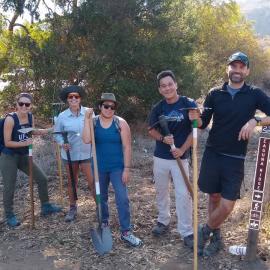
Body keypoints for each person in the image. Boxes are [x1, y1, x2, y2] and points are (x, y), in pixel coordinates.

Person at [189, 52, 270, 256]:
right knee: (213, 196)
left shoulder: (254, 94)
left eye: (241, 67)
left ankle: (204, 230)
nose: (237, 70)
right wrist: (194, 117)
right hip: (213, 153)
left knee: (227, 204)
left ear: (247, 70)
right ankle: (216, 238)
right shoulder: (215, 93)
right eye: (233, 66)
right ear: (228, 69)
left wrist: (255, 121)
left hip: (235, 158)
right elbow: (202, 124)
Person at [82, 93, 142, 247]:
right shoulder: (93, 122)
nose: (109, 109)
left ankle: (126, 232)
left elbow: (127, 146)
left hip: (117, 167)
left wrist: (127, 169)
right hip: (99, 168)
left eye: (112, 107)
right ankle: (104, 224)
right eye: (106, 106)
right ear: (100, 107)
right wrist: (86, 119)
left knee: (122, 198)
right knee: (100, 198)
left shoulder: (120, 123)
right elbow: (87, 140)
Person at [148, 70, 196, 249]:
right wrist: (162, 138)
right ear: (160, 89)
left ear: (176, 84)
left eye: (170, 84)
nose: (167, 88)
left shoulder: (187, 104)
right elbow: (151, 130)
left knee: (183, 195)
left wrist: (183, 149)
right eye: (163, 86)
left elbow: (196, 130)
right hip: (161, 157)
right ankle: (163, 220)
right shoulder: (158, 107)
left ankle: (187, 231)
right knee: (161, 191)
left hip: (181, 158)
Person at [0, 92, 61, 228]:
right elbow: (7, 142)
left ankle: (46, 206)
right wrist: (25, 143)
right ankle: (9, 215)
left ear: (30, 106)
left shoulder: (30, 116)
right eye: (21, 103)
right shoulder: (10, 119)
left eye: (27, 104)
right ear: (16, 104)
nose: (24, 106)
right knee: (10, 186)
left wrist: (49, 130)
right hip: (8, 156)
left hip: (23, 156)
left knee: (42, 178)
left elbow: (31, 131)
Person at [54, 85, 95, 222]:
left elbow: (95, 131)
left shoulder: (89, 113)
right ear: (67, 100)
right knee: (72, 181)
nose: (73, 99)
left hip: (86, 153)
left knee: (92, 181)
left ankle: (100, 207)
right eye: (70, 97)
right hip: (69, 154)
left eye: (76, 96)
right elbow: (57, 134)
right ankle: (72, 208)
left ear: (80, 98)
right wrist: (61, 143)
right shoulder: (62, 116)